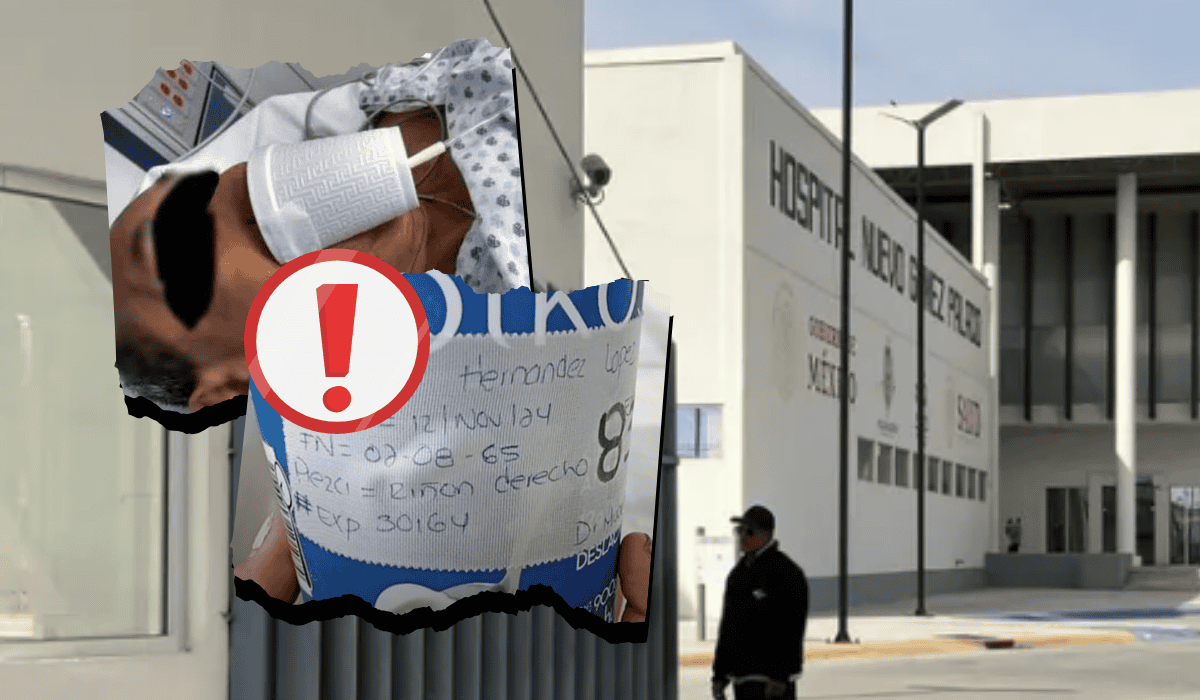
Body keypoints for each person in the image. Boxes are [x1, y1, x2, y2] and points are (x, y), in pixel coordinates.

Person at [111, 38, 527, 415]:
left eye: (202, 188)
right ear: (238, 377)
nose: (243, 193)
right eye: (183, 251)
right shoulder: (510, 354)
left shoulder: (392, 96)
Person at [712, 505, 809, 700]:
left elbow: (792, 627)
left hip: (773, 682)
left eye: (748, 531)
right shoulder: (738, 575)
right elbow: (728, 626)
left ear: (766, 534)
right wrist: (720, 674)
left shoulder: (787, 573)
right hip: (743, 678)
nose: (742, 536)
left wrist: (780, 675)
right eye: (739, 531)